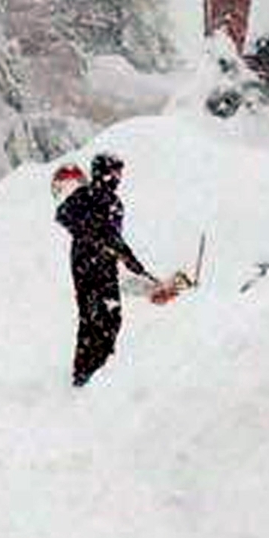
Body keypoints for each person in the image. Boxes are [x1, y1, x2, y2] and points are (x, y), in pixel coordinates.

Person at [53, 150, 157, 387]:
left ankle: (93, 370)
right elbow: (63, 215)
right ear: (103, 173)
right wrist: (89, 228)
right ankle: (89, 373)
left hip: (101, 265)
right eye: (115, 172)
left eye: (120, 172)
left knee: (104, 318)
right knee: (99, 318)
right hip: (88, 265)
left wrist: (130, 260)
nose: (119, 177)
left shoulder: (112, 202)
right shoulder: (89, 195)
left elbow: (113, 238)